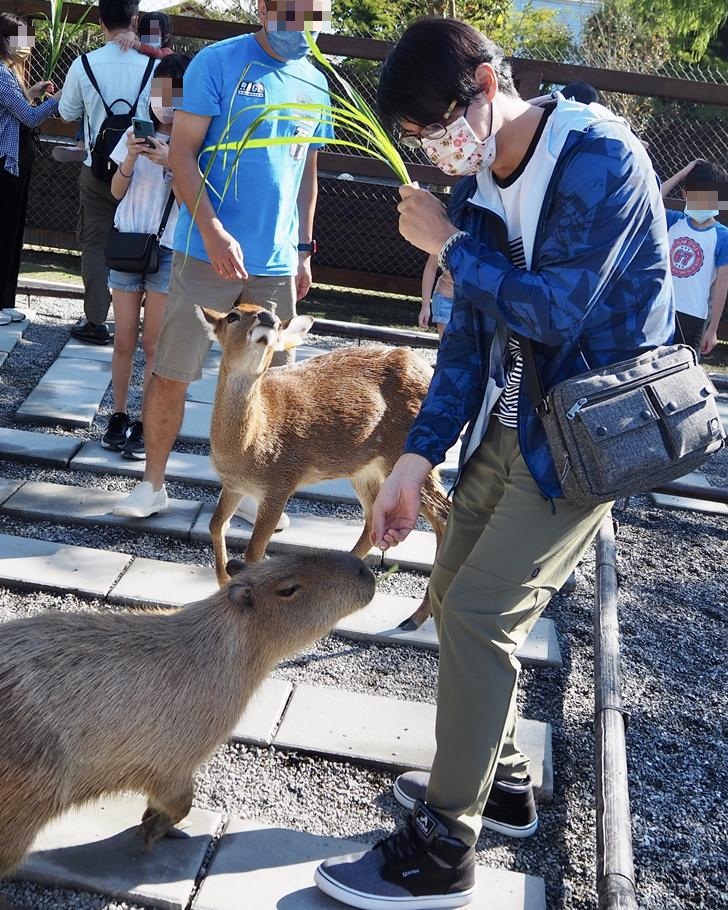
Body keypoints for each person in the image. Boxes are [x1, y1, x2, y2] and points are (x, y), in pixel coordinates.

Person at [313, 19, 673, 909]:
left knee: (480, 614)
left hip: (592, 436)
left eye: (438, 128)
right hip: (515, 420)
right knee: (451, 584)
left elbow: (555, 311)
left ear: (485, 81)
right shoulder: (476, 184)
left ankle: (445, 849)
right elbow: (471, 339)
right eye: (422, 142)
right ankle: (501, 782)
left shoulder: (600, 157)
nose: (437, 153)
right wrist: (414, 459)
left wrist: (447, 245)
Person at [113, 0, 334, 520]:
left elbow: (307, 173)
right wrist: (211, 230)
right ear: (264, 8)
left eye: (314, 13)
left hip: (276, 262)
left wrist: (303, 249)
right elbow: (184, 153)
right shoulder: (217, 61)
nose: (304, 25)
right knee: (173, 371)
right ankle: (153, 483)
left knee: (275, 384)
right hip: (203, 250)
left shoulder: (315, 80)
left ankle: (262, 496)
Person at [102, 53, 190, 459]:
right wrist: (134, 157)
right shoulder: (133, 136)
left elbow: (199, 198)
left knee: (154, 344)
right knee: (123, 340)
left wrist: (171, 162)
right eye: (161, 90)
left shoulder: (193, 144)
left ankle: (145, 420)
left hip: (167, 249)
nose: (165, 100)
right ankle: (118, 415)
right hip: (127, 243)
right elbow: (116, 193)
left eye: (175, 92)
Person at [59, 0, 155, 346]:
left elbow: (68, 111)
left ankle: (96, 321)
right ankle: (140, 322)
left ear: (100, 22)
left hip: (95, 169)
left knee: (95, 244)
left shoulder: (83, 65)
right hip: (142, 172)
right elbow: (165, 113)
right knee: (142, 239)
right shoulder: (151, 67)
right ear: (135, 19)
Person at [0, 13, 59, 314]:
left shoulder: (9, 73)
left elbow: (18, 109)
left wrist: (32, 93)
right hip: (6, 165)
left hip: (15, 164)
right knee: (5, 231)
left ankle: (5, 302)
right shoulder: (1, 74)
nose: (27, 45)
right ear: (5, 40)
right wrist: (58, 99)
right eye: (21, 38)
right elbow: (30, 117)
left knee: (12, 230)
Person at [660, 158, 728, 357]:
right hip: (661, 309)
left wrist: (713, 329)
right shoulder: (673, 221)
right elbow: (650, 199)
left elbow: (722, 284)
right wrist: (683, 173)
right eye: (697, 195)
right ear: (685, 194)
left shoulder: (722, 236)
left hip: (694, 317)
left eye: (710, 197)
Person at [419, 252, 454, 338]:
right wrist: (425, 306)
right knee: (448, 346)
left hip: (474, 302)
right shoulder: (444, 239)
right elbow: (431, 268)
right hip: (446, 299)